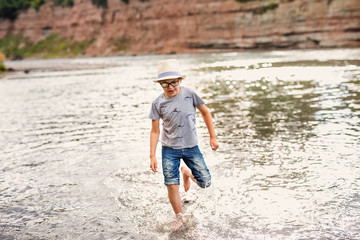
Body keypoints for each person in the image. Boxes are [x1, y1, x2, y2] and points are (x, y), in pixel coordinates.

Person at [148, 59, 219, 228]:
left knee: (205, 182)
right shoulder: (158, 103)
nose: (171, 87)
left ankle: (186, 171)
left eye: (174, 82)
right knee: (171, 183)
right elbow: (155, 130)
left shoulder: (190, 94)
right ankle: (179, 217)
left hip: (191, 147)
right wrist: (152, 155)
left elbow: (205, 112)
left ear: (180, 80)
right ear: (160, 84)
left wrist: (213, 137)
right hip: (169, 149)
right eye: (166, 84)